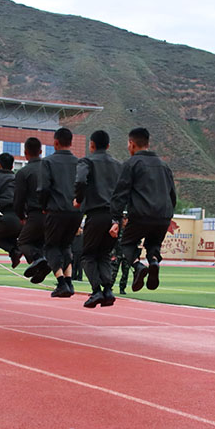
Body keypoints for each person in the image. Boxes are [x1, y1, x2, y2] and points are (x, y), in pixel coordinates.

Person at [109, 127, 177, 292]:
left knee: (127, 243)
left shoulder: (131, 164)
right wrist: (167, 214)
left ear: (132, 144)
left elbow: (120, 194)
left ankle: (137, 266)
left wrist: (115, 219)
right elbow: (172, 194)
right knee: (154, 243)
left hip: (141, 215)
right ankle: (153, 261)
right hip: (163, 215)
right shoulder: (164, 165)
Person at [74, 130, 123, 307]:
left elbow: (80, 181)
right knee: (103, 254)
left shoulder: (86, 161)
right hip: (114, 217)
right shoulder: (119, 165)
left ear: (91, 145)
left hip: (96, 214)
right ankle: (108, 290)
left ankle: (96, 291)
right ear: (108, 145)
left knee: (88, 255)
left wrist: (79, 199)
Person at [37, 127, 83, 297]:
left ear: (55, 142)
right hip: (76, 211)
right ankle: (69, 282)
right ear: (71, 143)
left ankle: (61, 282)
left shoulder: (48, 162)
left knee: (50, 246)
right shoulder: (80, 162)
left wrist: (43, 206)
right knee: (66, 245)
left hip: (56, 210)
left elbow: (43, 188)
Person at [16, 137, 49, 284]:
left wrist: (20, 215)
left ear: (25, 153)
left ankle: (38, 259)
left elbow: (19, 198)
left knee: (23, 241)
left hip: (35, 213)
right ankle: (42, 265)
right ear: (41, 151)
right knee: (40, 242)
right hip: (51, 213)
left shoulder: (24, 172)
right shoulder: (49, 169)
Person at [110, 215, 130, 295]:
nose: (125, 221)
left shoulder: (130, 231)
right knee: (113, 272)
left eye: (126, 219)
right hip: (117, 253)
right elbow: (112, 242)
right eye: (124, 219)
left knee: (125, 273)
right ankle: (109, 287)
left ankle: (122, 288)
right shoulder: (117, 229)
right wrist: (112, 254)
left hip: (127, 254)